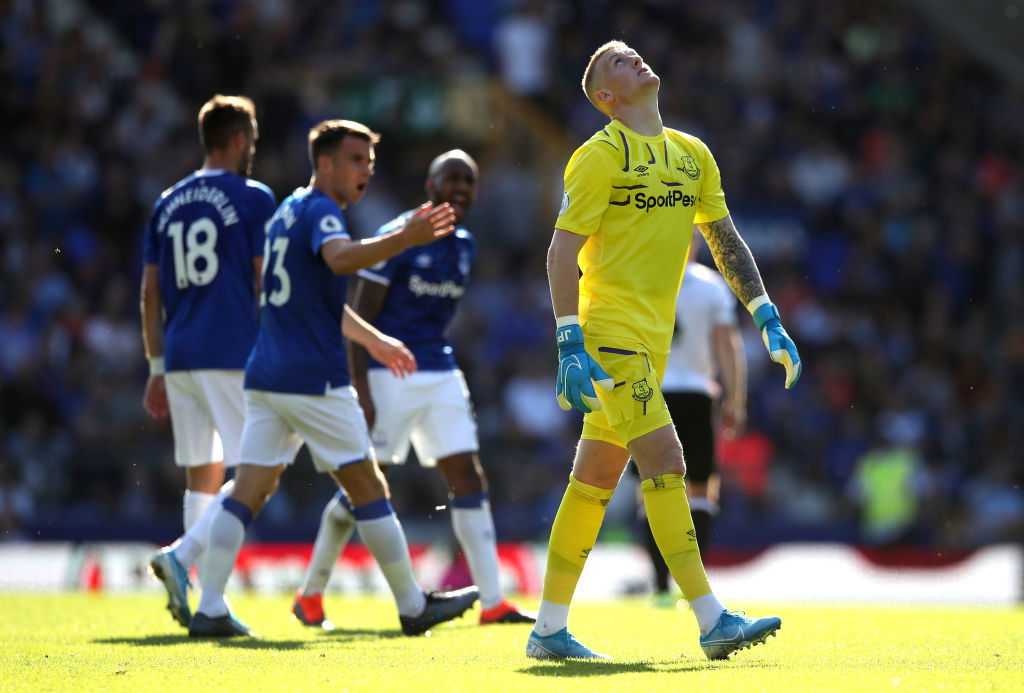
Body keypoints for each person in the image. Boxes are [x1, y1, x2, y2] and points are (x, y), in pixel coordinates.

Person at [526, 41, 802, 661]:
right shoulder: (597, 157)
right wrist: (569, 337)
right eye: (619, 63)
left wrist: (767, 316)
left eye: (634, 55)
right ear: (606, 96)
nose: (637, 60)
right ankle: (711, 620)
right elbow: (561, 251)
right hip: (608, 338)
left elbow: (724, 239)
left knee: (594, 478)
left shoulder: (692, 155)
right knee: (667, 457)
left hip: (649, 344)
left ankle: (547, 629)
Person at [150, 119, 478, 638]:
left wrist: (372, 340)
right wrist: (401, 237)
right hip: (313, 380)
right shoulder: (325, 213)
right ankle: (414, 605)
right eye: (354, 160)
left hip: (265, 376)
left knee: (248, 489)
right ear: (323, 164)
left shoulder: (286, 212)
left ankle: (209, 606)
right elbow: (341, 258)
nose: (364, 170)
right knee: (368, 487)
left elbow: (313, 296)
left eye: (369, 161)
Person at [291, 150, 535, 629]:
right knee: (362, 484)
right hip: (389, 374)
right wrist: (359, 384)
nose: (461, 189)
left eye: (469, 181)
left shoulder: (464, 245)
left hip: (440, 371)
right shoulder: (397, 237)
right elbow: (358, 314)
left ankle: (493, 602)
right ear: (430, 185)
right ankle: (311, 594)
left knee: (468, 475)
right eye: (452, 179)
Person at [140, 95, 275, 621]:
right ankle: (195, 575)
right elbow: (266, 281)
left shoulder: (166, 202)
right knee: (254, 474)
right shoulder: (254, 198)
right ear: (240, 139)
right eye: (253, 140)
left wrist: (155, 366)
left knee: (204, 473)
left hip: (179, 356)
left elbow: (150, 293)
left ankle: (194, 591)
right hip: (231, 350)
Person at [638, 234, 746, 604]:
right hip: (697, 395)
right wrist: (735, 398)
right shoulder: (711, 286)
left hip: (650, 394)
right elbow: (726, 344)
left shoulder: (640, 279)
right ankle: (692, 586)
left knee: (651, 491)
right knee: (701, 490)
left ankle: (660, 586)